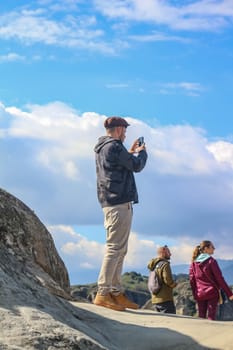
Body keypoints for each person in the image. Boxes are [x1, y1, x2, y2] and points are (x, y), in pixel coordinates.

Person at [93, 116, 148, 311]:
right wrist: (141, 153)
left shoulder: (103, 147)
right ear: (118, 129)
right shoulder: (115, 146)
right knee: (115, 249)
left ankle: (115, 292)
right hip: (119, 202)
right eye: (124, 130)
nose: (125, 134)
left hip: (110, 201)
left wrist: (130, 151)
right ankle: (103, 292)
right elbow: (136, 166)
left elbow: (119, 164)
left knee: (119, 249)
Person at [189, 240, 233, 320]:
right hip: (212, 293)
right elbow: (220, 279)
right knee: (211, 317)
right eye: (212, 247)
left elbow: (192, 280)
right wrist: (229, 293)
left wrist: (195, 293)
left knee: (201, 317)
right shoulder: (211, 261)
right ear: (206, 248)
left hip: (199, 294)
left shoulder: (193, 263)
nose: (214, 249)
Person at [147, 245, 177, 314]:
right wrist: (174, 284)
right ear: (163, 253)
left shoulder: (153, 265)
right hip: (165, 298)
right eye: (168, 252)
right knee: (170, 320)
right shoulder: (165, 264)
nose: (170, 254)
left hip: (155, 299)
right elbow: (167, 280)